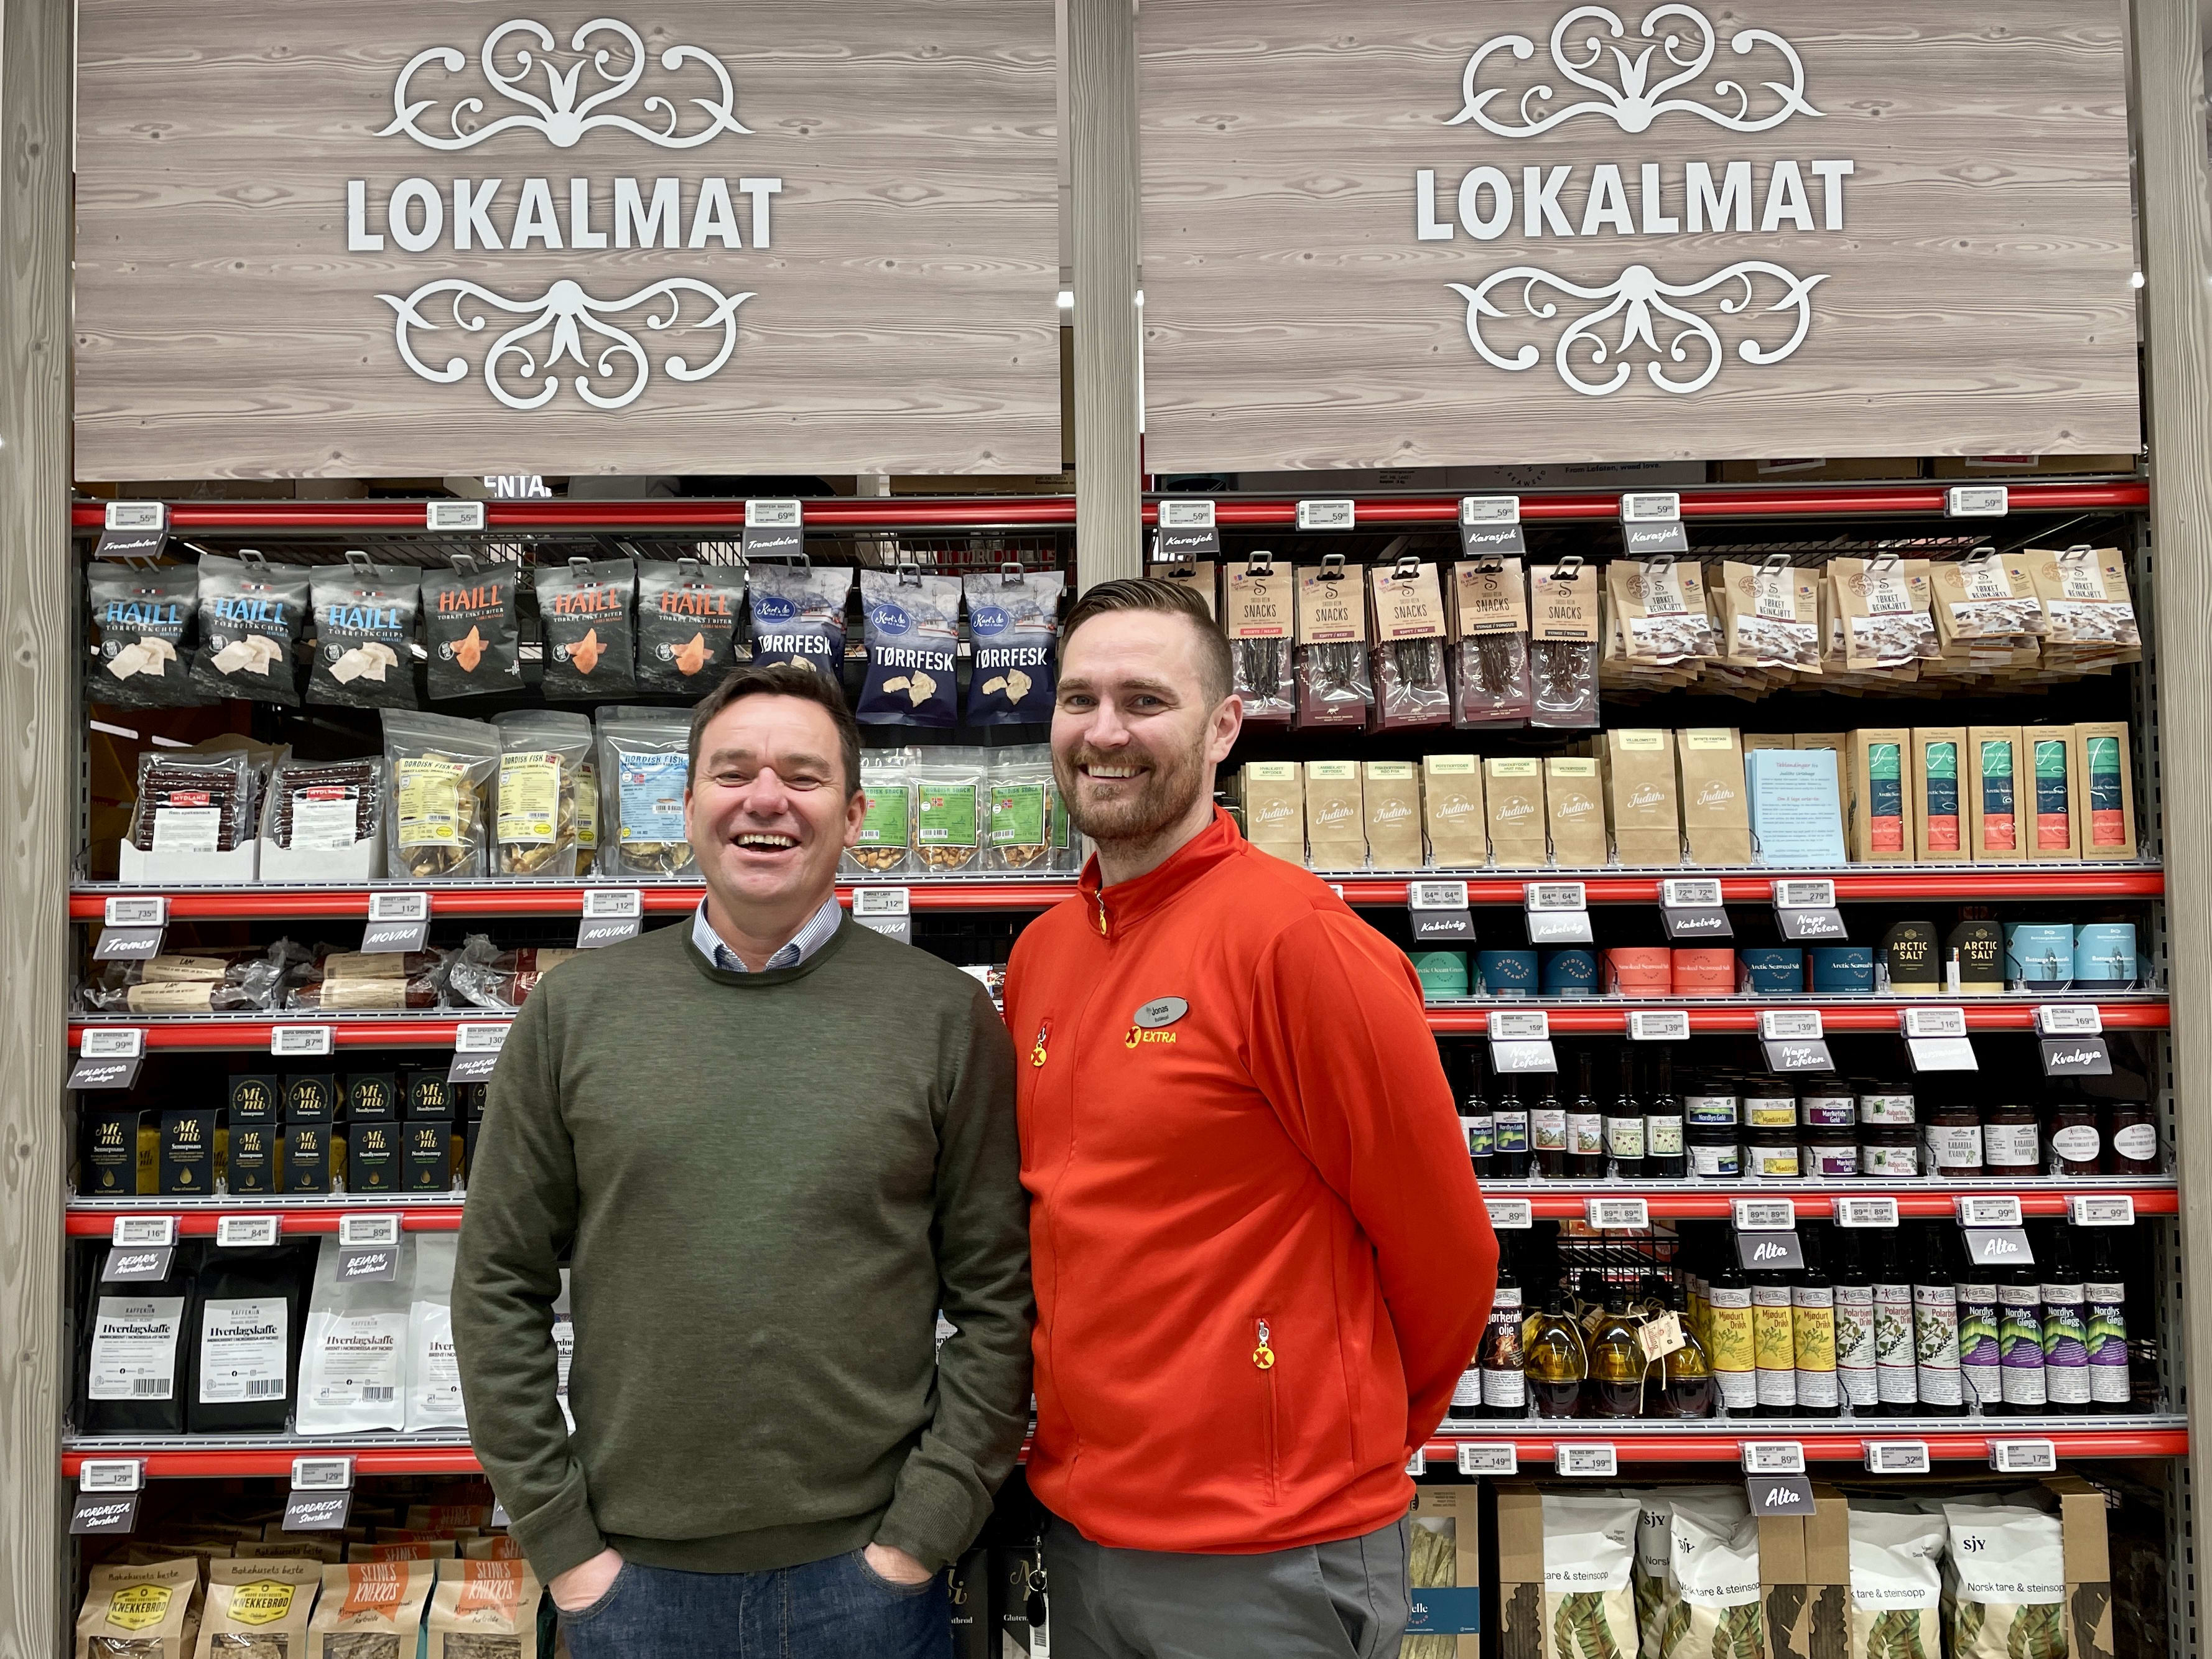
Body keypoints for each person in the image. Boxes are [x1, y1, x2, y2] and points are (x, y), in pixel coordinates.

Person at [454, 663, 1033, 1659]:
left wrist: (920, 1536)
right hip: (630, 1588)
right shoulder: (574, 1011)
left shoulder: (945, 1016)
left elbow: (1000, 1298)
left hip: (868, 1586)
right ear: (687, 808)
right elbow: (497, 1282)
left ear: (854, 816)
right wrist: (564, 1545)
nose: (766, 800)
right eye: (733, 773)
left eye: (804, 777)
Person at [1002, 579, 1498, 1659]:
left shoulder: (1297, 943)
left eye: (1145, 700)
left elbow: (1448, 1254)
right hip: (1087, 1535)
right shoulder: (1044, 955)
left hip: (1271, 1559)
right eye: (1080, 699)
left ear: (1224, 726)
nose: (1105, 732)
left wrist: (1330, 1451)